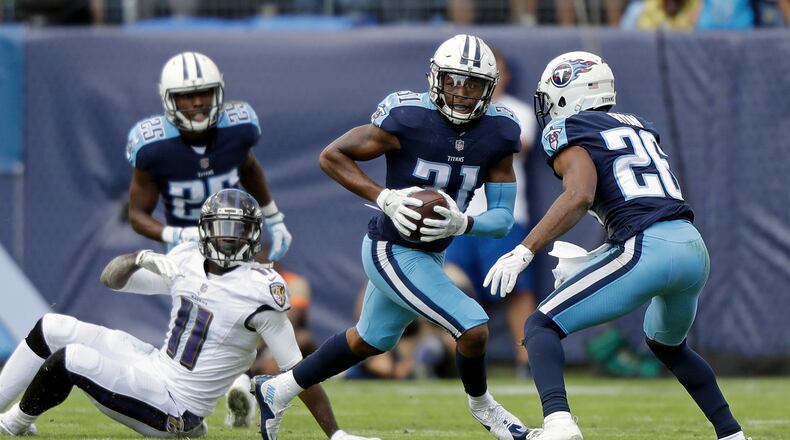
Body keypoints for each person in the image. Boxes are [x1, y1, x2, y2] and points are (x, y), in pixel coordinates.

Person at [251, 34, 532, 440]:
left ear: (489, 89)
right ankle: (485, 409)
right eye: (452, 81)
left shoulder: (499, 131)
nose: (460, 92)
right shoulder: (407, 116)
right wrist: (384, 197)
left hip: (433, 252)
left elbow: (503, 218)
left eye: (472, 84)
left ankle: (276, 389)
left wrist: (462, 223)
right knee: (473, 327)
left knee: (370, 340)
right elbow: (332, 156)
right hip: (391, 248)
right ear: (435, 78)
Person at [484, 51, 749, 440]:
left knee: (541, 325)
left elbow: (579, 196)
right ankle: (732, 435)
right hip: (691, 247)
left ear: (569, 93)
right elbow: (640, 205)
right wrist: (599, 258)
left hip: (646, 248)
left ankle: (558, 423)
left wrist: (525, 250)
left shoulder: (568, 130)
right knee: (669, 346)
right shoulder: (639, 126)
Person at [0, 189, 375, 440]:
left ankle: (14, 424)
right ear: (205, 231)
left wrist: (335, 434)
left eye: (238, 231)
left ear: (254, 236)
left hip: (176, 406)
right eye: (222, 230)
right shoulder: (186, 260)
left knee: (71, 360)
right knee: (51, 326)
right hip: (154, 365)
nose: (229, 239)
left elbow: (298, 369)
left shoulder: (260, 289)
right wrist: (139, 258)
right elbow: (110, 280)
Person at [126, 51, 291, 262]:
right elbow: (137, 215)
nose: (197, 102)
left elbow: (248, 168)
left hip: (235, 239)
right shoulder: (153, 147)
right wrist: (176, 234)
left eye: (205, 92)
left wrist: (274, 218)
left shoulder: (239, 128)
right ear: (169, 98)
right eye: (186, 95)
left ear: (218, 92)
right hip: (184, 250)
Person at [444, 47, 537, 377]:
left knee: (516, 288)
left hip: (501, 216)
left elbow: (515, 147)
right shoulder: (451, 109)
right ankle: (449, 360)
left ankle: (528, 361)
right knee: (448, 287)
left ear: (504, 76)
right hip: (456, 217)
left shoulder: (516, 111)